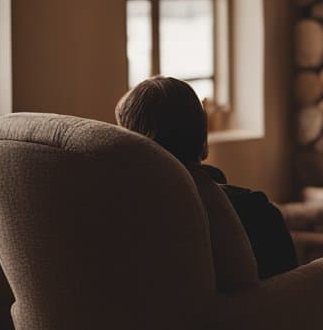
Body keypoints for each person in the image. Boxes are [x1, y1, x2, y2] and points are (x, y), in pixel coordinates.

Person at [115, 76, 299, 280]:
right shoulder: (257, 213)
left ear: (134, 149)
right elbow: (290, 298)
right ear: (204, 144)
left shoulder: (117, 219)